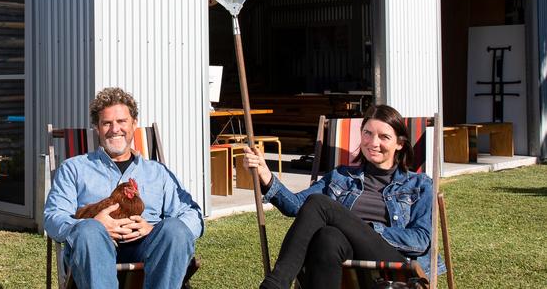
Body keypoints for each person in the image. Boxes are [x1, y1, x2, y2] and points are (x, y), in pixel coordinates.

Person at [243, 104, 445, 289]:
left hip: (395, 267)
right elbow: (295, 207)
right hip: (344, 260)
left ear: (400, 144)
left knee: (320, 204)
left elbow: (420, 240)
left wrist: (365, 229)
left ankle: (274, 284)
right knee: (327, 237)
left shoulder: (419, 184)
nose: (373, 143)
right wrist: (266, 176)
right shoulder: (341, 177)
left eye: (384, 137)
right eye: (367, 133)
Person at [44, 87, 204, 289]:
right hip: (92, 252)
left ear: (134, 124)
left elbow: (192, 215)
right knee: (89, 230)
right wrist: (90, 224)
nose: (115, 129)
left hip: (147, 250)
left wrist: (152, 229)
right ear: (96, 127)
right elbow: (52, 217)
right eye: (107, 123)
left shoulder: (158, 172)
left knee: (175, 230)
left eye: (121, 121)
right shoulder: (74, 168)